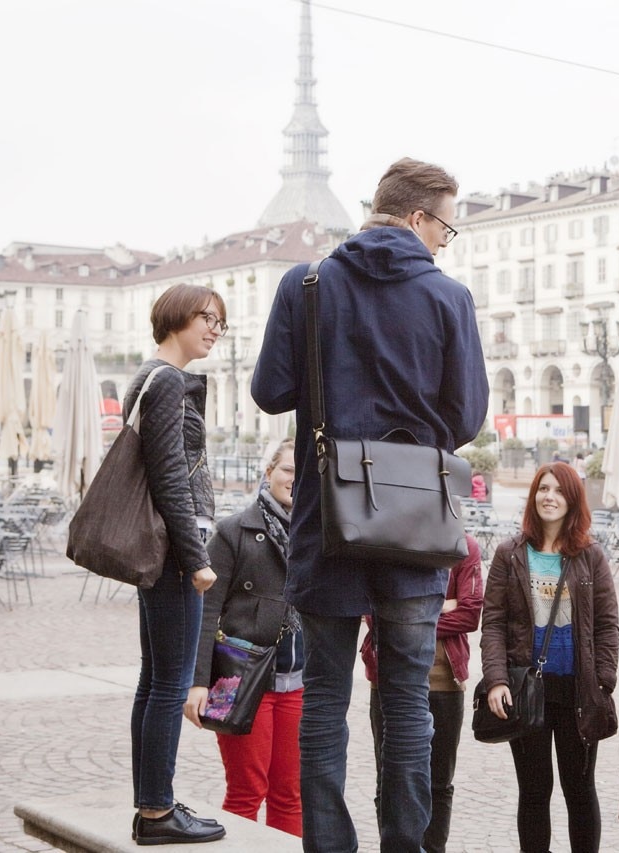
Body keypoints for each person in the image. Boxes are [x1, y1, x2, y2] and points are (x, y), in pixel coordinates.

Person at [251, 157, 489, 852]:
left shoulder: (308, 283)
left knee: (324, 698)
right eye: (446, 225)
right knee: (407, 699)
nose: (446, 240)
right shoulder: (449, 298)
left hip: (328, 519)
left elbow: (270, 391)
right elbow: (468, 416)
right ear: (416, 217)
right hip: (415, 518)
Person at [128, 283, 227, 844]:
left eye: (221, 322)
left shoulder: (151, 376)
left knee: (153, 681)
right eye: (206, 318)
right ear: (174, 318)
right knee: (169, 684)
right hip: (175, 552)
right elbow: (168, 476)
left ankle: (150, 806)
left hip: (165, 550)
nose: (215, 329)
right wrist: (197, 560)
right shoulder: (166, 381)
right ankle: (159, 813)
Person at [480, 461, 619, 853]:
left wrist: (603, 679)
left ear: (573, 499)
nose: (549, 497)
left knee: (579, 790)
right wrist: (496, 680)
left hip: (579, 691)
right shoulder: (510, 554)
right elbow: (492, 622)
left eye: (559, 490)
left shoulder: (590, 556)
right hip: (527, 691)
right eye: (543, 489)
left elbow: (608, 624)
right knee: (534, 791)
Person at [186, 440, 303, 836]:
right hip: (235, 680)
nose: (295, 479)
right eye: (288, 469)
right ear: (269, 471)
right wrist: (198, 681)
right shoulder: (234, 530)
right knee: (245, 791)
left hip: (297, 681)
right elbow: (205, 610)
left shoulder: (318, 536)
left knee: (291, 793)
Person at [361, 534, 484, 853]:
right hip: (388, 679)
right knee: (387, 778)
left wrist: (406, 616)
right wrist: (441, 606)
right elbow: (374, 614)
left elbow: (471, 614)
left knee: (439, 783)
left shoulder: (464, 547)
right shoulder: (388, 540)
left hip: (444, 680)